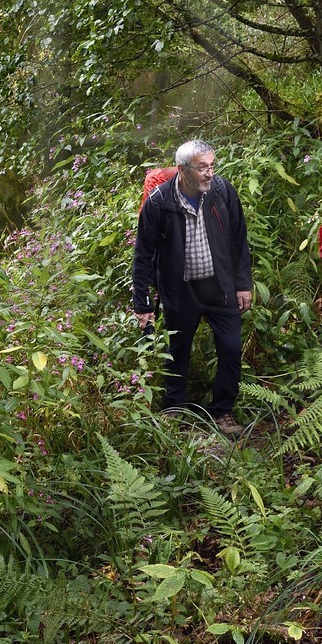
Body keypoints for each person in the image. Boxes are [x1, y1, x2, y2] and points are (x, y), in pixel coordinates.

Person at [132, 140, 254, 435]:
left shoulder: (223, 192)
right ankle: (175, 409)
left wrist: (243, 285)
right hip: (181, 290)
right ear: (182, 170)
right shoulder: (160, 201)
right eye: (202, 168)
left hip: (221, 287)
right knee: (178, 350)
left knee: (230, 348)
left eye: (212, 166)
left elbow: (239, 240)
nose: (210, 174)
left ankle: (222, 411)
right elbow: (143, 254)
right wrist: (142, 303)